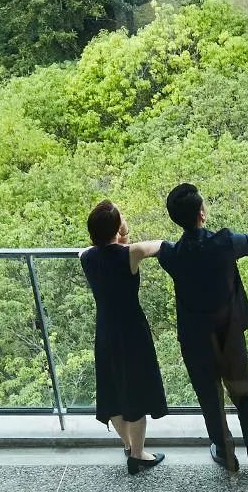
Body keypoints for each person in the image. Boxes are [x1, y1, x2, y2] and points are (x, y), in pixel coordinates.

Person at [156, 182, 248, 479]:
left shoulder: (172, 255)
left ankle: (225, 453)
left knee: (210, 399)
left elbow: (157, 248)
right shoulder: (225, 243)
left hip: (195, 342)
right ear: (202, 214)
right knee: (244, 394)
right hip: (229, 335)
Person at [79, 200, 168, 475]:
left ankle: (129, 447)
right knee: (136, 389)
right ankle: (139, 455)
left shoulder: (85, 256)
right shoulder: (133, 253)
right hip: (131, 331)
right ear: (117, 227)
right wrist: (125, 234)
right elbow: (161, 245)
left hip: (105, 330)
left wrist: (118, 233)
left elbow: (99, 249)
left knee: (113, 389)